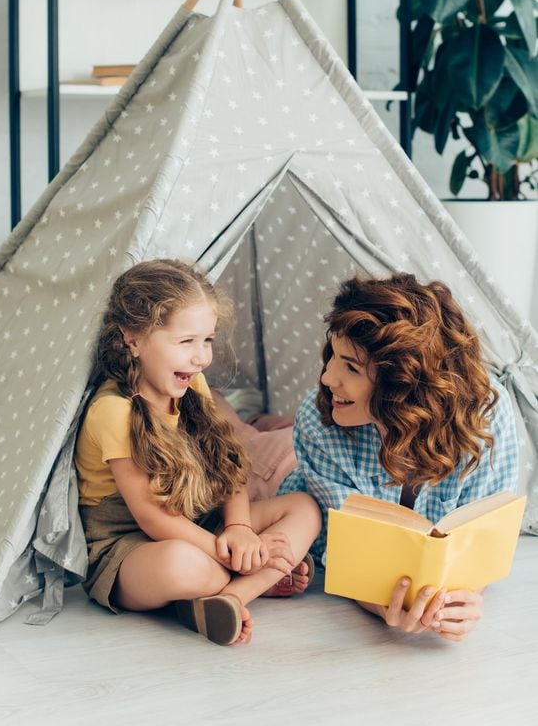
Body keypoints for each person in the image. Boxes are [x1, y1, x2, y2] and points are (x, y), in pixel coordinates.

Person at [74, 259, 321, 646]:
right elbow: (153, 520)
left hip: (198, 523)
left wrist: (238, 529)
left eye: (206, 340)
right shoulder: (114, 411)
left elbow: (229, 469)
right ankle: (256, 575)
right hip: (130, 547)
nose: (202, 356)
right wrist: (231, 553)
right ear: (133, 339)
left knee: (304, 507)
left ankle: (231, 597)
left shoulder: (193, 386)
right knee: (182, 566)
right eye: (186, 342)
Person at [278, 273, 519, 643]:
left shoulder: (485, 415)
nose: (327, 377)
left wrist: (462, 601)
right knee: (255, 451)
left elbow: (481, 539)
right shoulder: (317, 419)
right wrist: (382, 605)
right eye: (332, 358)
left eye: (351, 368)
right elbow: (350, 555)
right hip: (289, 476)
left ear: (402, 384)